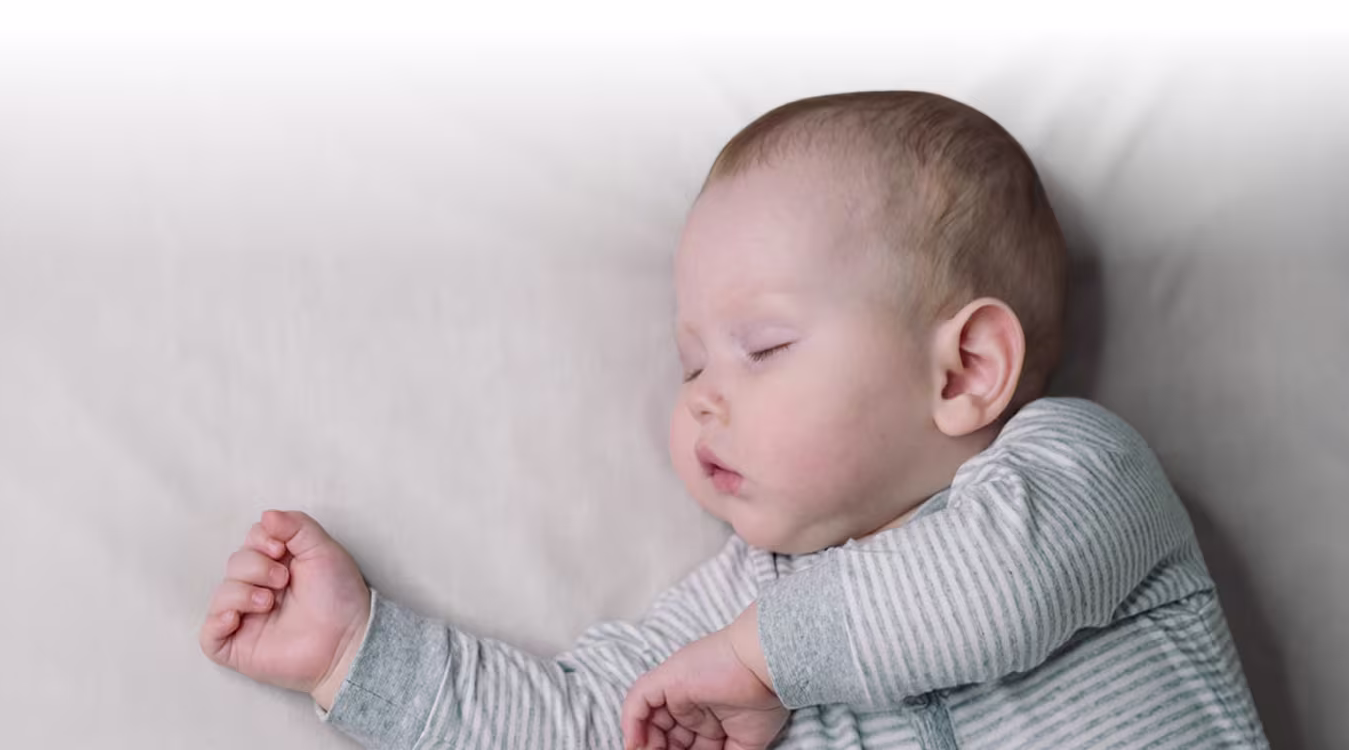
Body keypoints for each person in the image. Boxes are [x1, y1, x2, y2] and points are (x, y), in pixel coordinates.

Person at [199, 91, 1268, 749]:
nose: (704, 395)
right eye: (690, 362)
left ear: (967, 370)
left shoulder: (1081, 471)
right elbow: (593, 729)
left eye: (764, 348)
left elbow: (989, 592)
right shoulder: (739, 603)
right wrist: (354, 654)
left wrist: (759, 663)